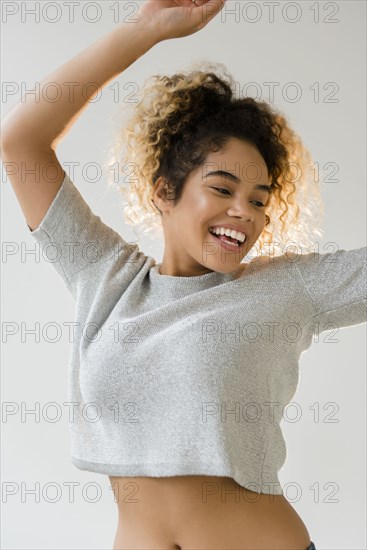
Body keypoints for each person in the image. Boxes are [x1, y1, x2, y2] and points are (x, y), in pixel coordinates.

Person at [1, 0, 365, 549]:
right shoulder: (106, 275)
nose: (245, 211)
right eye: (222, 189)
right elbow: (21, 141)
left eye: (259, 200)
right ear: (164, 193)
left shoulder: (287, 287)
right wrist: (144, 30)